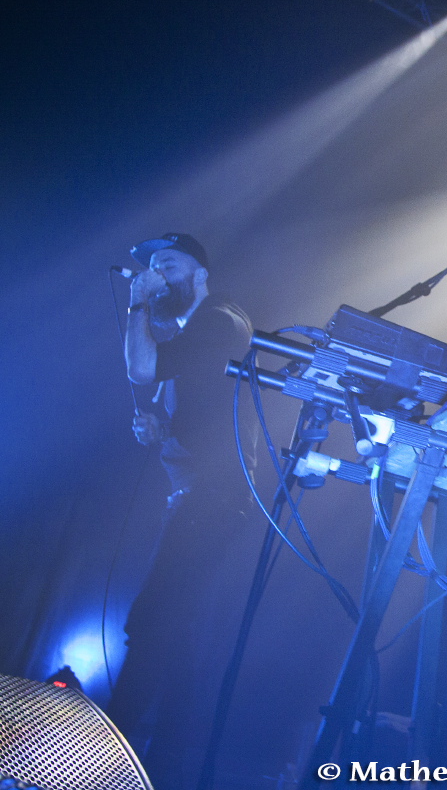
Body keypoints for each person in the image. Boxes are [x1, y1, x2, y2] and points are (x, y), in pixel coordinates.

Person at [106, 233, 256, 790]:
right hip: (204, 498)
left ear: (200, 273)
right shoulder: (196, 333)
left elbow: (141, 369)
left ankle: (108, 758)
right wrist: (162, 429)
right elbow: (201, 413)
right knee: (177, 634)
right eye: (150, 266)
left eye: (167, 264)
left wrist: (136, 300)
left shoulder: (220, 320)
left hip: (212, 500)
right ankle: (162, 767)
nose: (156, 274)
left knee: (151, 623)